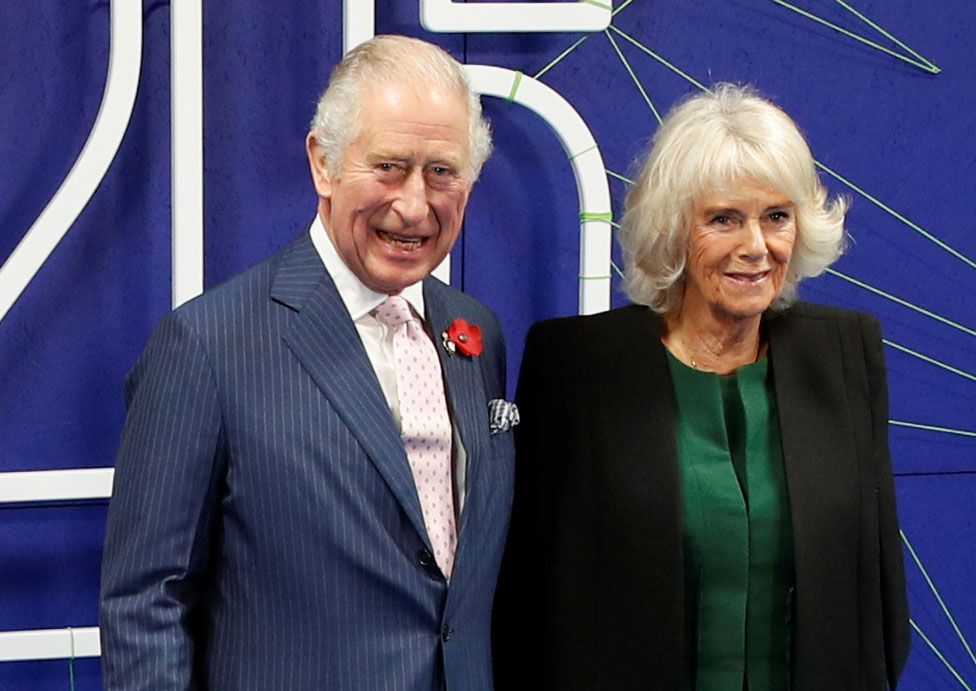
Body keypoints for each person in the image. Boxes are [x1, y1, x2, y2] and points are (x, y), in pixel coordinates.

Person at [101, 35, 517, 690]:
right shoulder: (206, 345)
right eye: (388, 166)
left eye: (443, 172)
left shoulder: (477, 334)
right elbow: (146, 603)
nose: (414, 204)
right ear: (323, 163)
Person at [494, 83, 910, 690]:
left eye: (776, 217)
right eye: (724, 219)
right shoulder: (577, 369)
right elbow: (535, 607)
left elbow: (877, 595)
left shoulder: (844, 355)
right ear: (673, 231)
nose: (757, 247)